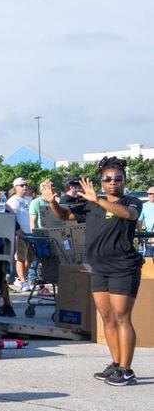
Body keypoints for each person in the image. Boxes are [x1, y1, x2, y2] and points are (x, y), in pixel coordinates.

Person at [43, 156, 143, 386]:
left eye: (118, 178)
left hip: (123, 268)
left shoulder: (130, 202)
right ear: (101, 182)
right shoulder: (91, 204)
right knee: (107, 317)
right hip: (99, 268)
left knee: (121, 317)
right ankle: (116, 364)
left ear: (124, 181)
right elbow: (64, 216)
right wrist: (53, 202)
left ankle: (127, 370)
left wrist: (97, 200)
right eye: (108, 179)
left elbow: (129, 216)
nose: (113, 182)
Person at [6, 177, 34, 291]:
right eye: (22, 185)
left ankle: (20, 278)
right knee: (21, 258)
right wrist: (17, 230)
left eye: (26, 185)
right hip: (21, 233)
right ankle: (22, 280)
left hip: (31, 232)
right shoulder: (13, 200)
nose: (25, 187)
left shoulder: (29, 199)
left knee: (30, 258)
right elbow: (11, 216)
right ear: (15, 187)